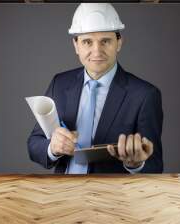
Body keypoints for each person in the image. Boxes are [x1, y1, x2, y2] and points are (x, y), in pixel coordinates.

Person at [27, 3, 163, 174]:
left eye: (105, 41)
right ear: (76, 45)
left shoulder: (144, 95)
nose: (97, 51)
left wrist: (135, 164)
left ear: (119, 43)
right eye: (87, 42)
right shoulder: (60, 83)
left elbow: (156, 164)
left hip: (111, 197)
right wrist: (52, 148)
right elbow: (34, 144)